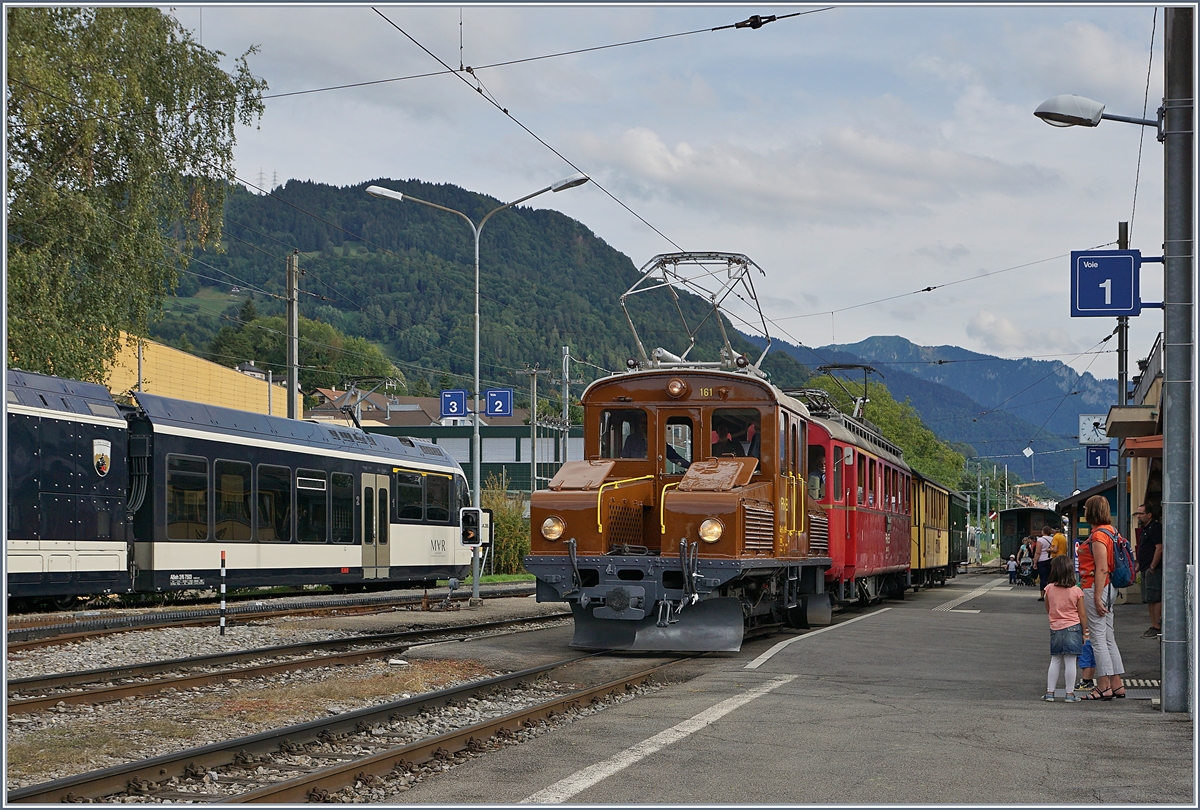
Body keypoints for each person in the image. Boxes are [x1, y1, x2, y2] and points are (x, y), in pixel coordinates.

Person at [1077, 494, 1127, 700]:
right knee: (1108, 638)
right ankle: (1117, 684)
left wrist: (1097, 597)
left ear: (1093, 511)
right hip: (1110, 588)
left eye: (1087, 508)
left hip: (1096, 587)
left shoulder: (1098, 536)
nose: (1084, 512)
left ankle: (1104, 685)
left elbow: (1102, 568)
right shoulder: (1112, 532)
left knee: (1097, 639)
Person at [1041, 554, 1090, 702]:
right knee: (1070, 661)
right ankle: (1069, 694)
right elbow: (1082, 614)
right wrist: (1084, 632)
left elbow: (1048, 609)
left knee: (1055, 660)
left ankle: (1050, 692)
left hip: (1055, 627)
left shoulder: (1048, 589)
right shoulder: (1076, 591)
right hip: (1073, 628)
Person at [1135, 503, 1162, 638]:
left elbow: (1159, 547)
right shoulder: (1145, 529)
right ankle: (1153, 624)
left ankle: (1157, 625)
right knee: (1149, 598)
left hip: (1153, 569)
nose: (1139, 516)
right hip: (1145, 567)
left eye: (1141, 513)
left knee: (1155, 597)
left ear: (1149, 514)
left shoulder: (1155, 528)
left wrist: (1152, 565)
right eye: (1138, 514)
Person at [1035, 526, 1054, 600]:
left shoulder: (1040, 540)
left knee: (1043, 578)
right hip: (1050, 559)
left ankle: (1042, 595)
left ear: (1043, 532)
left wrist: (1035, 562)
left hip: (1041, 560)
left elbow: (1038, 552)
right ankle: (1050, 594)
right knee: (1050, 578)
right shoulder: (1053, 539)